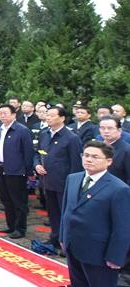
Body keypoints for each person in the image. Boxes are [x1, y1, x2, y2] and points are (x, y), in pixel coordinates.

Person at [59, 141, 130, 287]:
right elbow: (66, 211)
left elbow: (122, 228)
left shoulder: (118, 189)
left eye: (95, 157)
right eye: (86, 155)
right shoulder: (73, 179)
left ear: (109, 161)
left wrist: (116, 256)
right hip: (74, 248)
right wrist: (63, 237)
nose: (89, 160)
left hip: (100, 254)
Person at [34, 106, 82, 251]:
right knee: (53, 213)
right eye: (47, 115)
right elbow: (37, 153)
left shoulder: (71, 138)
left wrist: (73, 186)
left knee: (65, 214)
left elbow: (76, 164)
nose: (48, 118)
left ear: (62, 118)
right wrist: (37, 165)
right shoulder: (44, 133)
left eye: (52, 115)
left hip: (64, 184)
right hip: (47, 181)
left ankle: (67, 242)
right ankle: (55, 238)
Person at [0, 104, 34, 239]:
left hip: (16, 171)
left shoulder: (22, 130)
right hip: (1, 168)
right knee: (6, 199)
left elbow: (28, 152)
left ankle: (20, 228)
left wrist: (28, 172)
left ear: (14, 115)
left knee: (18, 201)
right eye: (0, 113)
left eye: (5, 113)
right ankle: (11, 225)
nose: (2, 116)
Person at [98, 115, 129, 183]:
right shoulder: (97, 147)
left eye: (110, 128)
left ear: (119, 130)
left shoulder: (126, 150)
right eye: (102, 128)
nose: (106, 131)